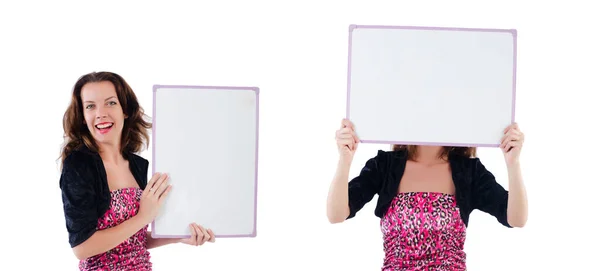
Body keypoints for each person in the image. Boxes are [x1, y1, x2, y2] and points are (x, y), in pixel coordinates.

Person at [58, 71, 215, 271]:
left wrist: (177, 235)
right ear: (83, 117)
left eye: (110, 103)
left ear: (125, 109)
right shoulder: (79, 166)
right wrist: (143, 216)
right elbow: (82, 247)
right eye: (90, 106)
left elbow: (133, 241)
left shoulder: (137, 165)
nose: (100, 113)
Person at [326, 119, 528, 270]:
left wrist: (513, 163)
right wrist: (345, 159)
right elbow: (336, 214)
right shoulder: (384, 167)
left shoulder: (469, 171)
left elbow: (516, 218)